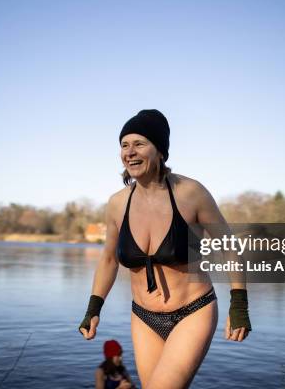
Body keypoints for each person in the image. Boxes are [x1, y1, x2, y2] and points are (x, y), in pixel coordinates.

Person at [79, 109, 252, 388]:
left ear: (160, 151)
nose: (130, 152)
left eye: (139, 144)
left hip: (192, 311)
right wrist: (93, 307)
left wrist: (239, 304)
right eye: (124, 145)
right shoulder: (117, 203)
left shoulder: (190, 193)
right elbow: (109, 259)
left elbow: (229, 247)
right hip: (143, 317)